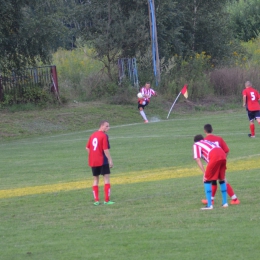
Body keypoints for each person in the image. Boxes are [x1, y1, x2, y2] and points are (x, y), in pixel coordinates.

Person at [201, 124, 240, 205]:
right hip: (221, 160)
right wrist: (223, 158)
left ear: (204, 131)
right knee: (216, 179)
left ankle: (235, 199)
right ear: (213, 130)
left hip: (213, 161)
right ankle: (211, 199)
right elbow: (226, 150)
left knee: (219, 179)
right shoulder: (219, 138)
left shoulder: (204, 141)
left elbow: (203, 154)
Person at [193, 134, 228, 210]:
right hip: (222, 155)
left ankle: (209, 205)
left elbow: (197, 159)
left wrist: (204, 172)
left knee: (206, 179)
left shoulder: (196, 144)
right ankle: (225, 203)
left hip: (214, 155)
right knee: (221, 179)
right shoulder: (208, 142)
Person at [86, 120, 115, 206]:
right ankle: (106, 200)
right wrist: (110, 160)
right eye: (106, 126)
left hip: (93, 160)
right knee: (106, 178)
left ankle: (96, 201)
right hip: (102, 160)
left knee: (95, 179)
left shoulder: (93, 135)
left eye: (108, 126)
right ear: (101, 126)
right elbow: (105, 149)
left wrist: (92, 155)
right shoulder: (104, 135)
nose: (108, 128)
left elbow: (87, 148)